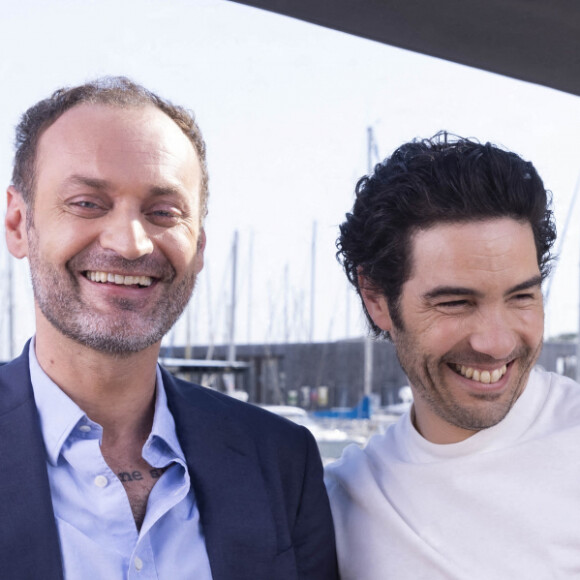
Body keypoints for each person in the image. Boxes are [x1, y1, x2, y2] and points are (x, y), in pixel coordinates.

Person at [1, 77, 338, 579]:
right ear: (17, 223)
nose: (131, 243)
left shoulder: (281, 461)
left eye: (163, 212)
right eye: (87, 203)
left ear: (198, 245)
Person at [325, 132, 580, 579]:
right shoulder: (345, 499)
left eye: (521, 297)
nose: (496, 342)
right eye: (456, 303)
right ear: (376, 297)